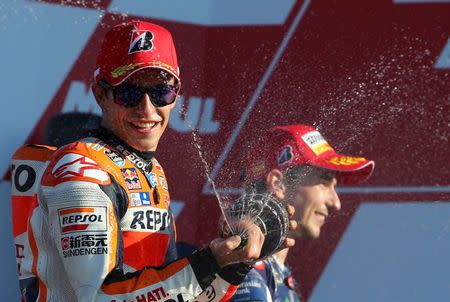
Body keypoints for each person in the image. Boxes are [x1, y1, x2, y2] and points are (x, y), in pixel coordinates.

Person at [11, 20, 297, 301]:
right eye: (130, 92)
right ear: (101, 94)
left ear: (176, 96)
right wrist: (210, 261)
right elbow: (97, 298)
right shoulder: (80, 171)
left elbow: (178, 296)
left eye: (161, 92)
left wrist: (237, 260)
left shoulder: (150, 169)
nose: (147, 109)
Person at [229, 124, 375, 301]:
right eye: (324, 182)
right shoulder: (246, 272)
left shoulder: (274, 273)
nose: (336, 203)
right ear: (278, 184)